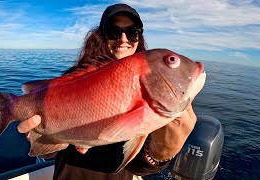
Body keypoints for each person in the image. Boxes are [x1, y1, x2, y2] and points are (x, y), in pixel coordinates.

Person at [17, 3, 197, 180]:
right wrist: (35, 133)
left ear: (139, 37)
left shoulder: (153, 90)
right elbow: (50, 153)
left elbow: (137, 165)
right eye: (114, 32)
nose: (123, 39)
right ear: (102, 36)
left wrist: (160, 154)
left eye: (132, 32)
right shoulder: (74, 77)